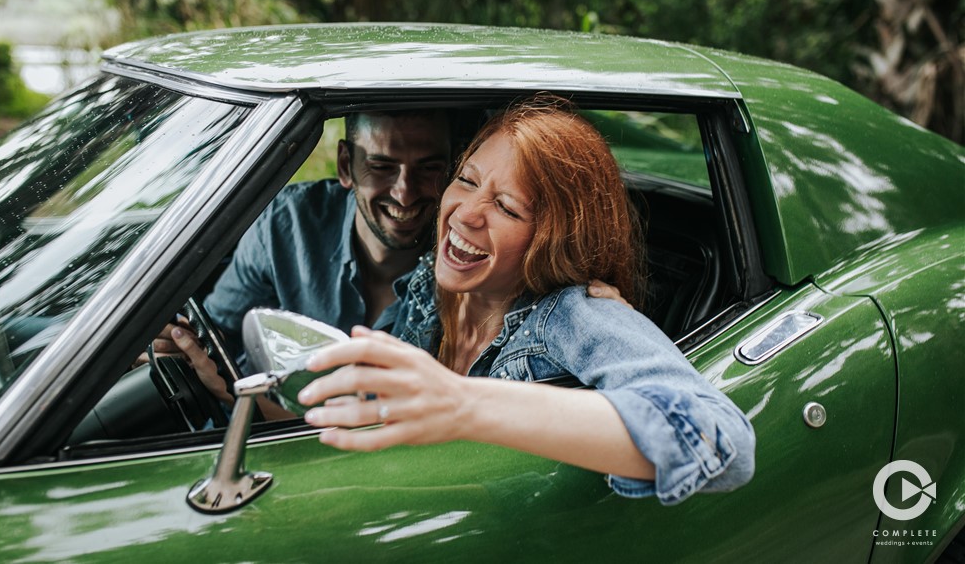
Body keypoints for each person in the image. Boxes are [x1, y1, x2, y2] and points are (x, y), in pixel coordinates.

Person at [292, 96, 756, 505]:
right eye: (468, 181)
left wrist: (465, 404)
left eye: (508, 207)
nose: (466, 214)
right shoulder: (434, 280)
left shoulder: (576, 314)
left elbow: (722, 441)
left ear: (554, 239)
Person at [148, 109, 454, 367]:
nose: (405, 193)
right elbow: (218, 337)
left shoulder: (465, 265)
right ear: (346, 166)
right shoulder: (286, 225)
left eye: (429, 169)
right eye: (381, 167)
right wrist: (176, 345)